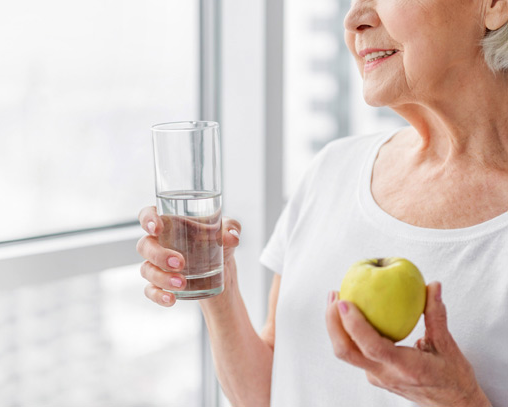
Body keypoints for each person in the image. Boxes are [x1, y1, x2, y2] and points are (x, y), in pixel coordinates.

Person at [136, 0, 508, 405]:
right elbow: (270, 394)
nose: (353, 19)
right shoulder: (332, 169)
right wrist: (218, 291)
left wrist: (464, 399)